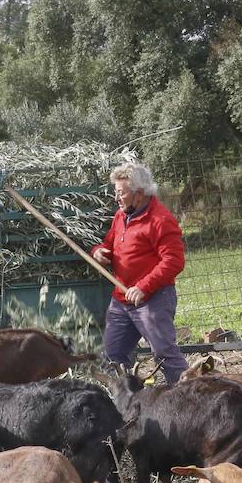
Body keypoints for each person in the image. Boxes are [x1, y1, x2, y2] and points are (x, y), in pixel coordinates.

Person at [91, 161, 188, 383]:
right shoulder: (121, 215)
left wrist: (144, 286)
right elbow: (108, 243)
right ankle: (131, 403)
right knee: (113, 355)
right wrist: (99, 252)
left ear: (139, 193)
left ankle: (192, 399)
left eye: (121, 193)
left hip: (153, 300)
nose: (117, 198)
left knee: (165, 355)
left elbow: (174, 261)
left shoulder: (160, 220)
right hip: (121, 300)